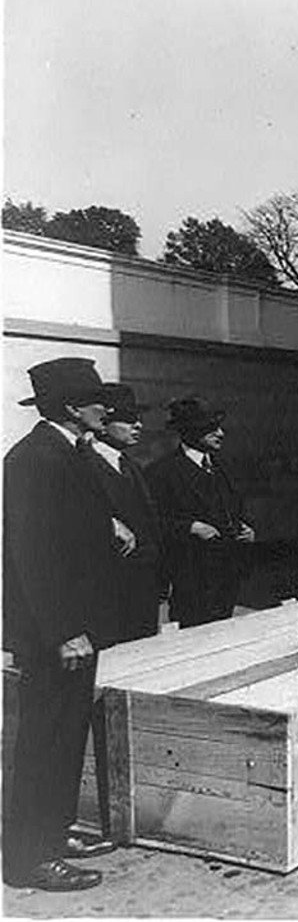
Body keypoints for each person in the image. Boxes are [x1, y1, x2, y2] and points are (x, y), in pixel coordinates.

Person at [3, 358, 122, 891]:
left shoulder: (65, 453)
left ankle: (55, 831)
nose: (107, 407)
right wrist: (62, 629)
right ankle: (29, 858)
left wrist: (107, 526)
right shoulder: (34, 459)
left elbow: (67, 523)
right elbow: (32, 554)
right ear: (73, 407)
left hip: (77, 626)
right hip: (57, 633)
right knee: (43, 740)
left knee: (66, 734)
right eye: (97, 400)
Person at [146, 397, 254, 629]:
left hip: (227, 578)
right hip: (189, 580)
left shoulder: (224, 467)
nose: (221, 433)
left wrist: (246, 529)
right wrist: (190, 527)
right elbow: (151, 522)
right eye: (211, 428)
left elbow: (234, 508)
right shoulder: (161, 473)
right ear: (190, 431)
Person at [83, 383, 165, 644]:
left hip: (143, 590)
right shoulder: (81, 463)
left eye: (138, 419)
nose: (138, 426)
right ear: (103, 424)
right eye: (128, 420)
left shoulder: (129, 463)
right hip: (109, 593)